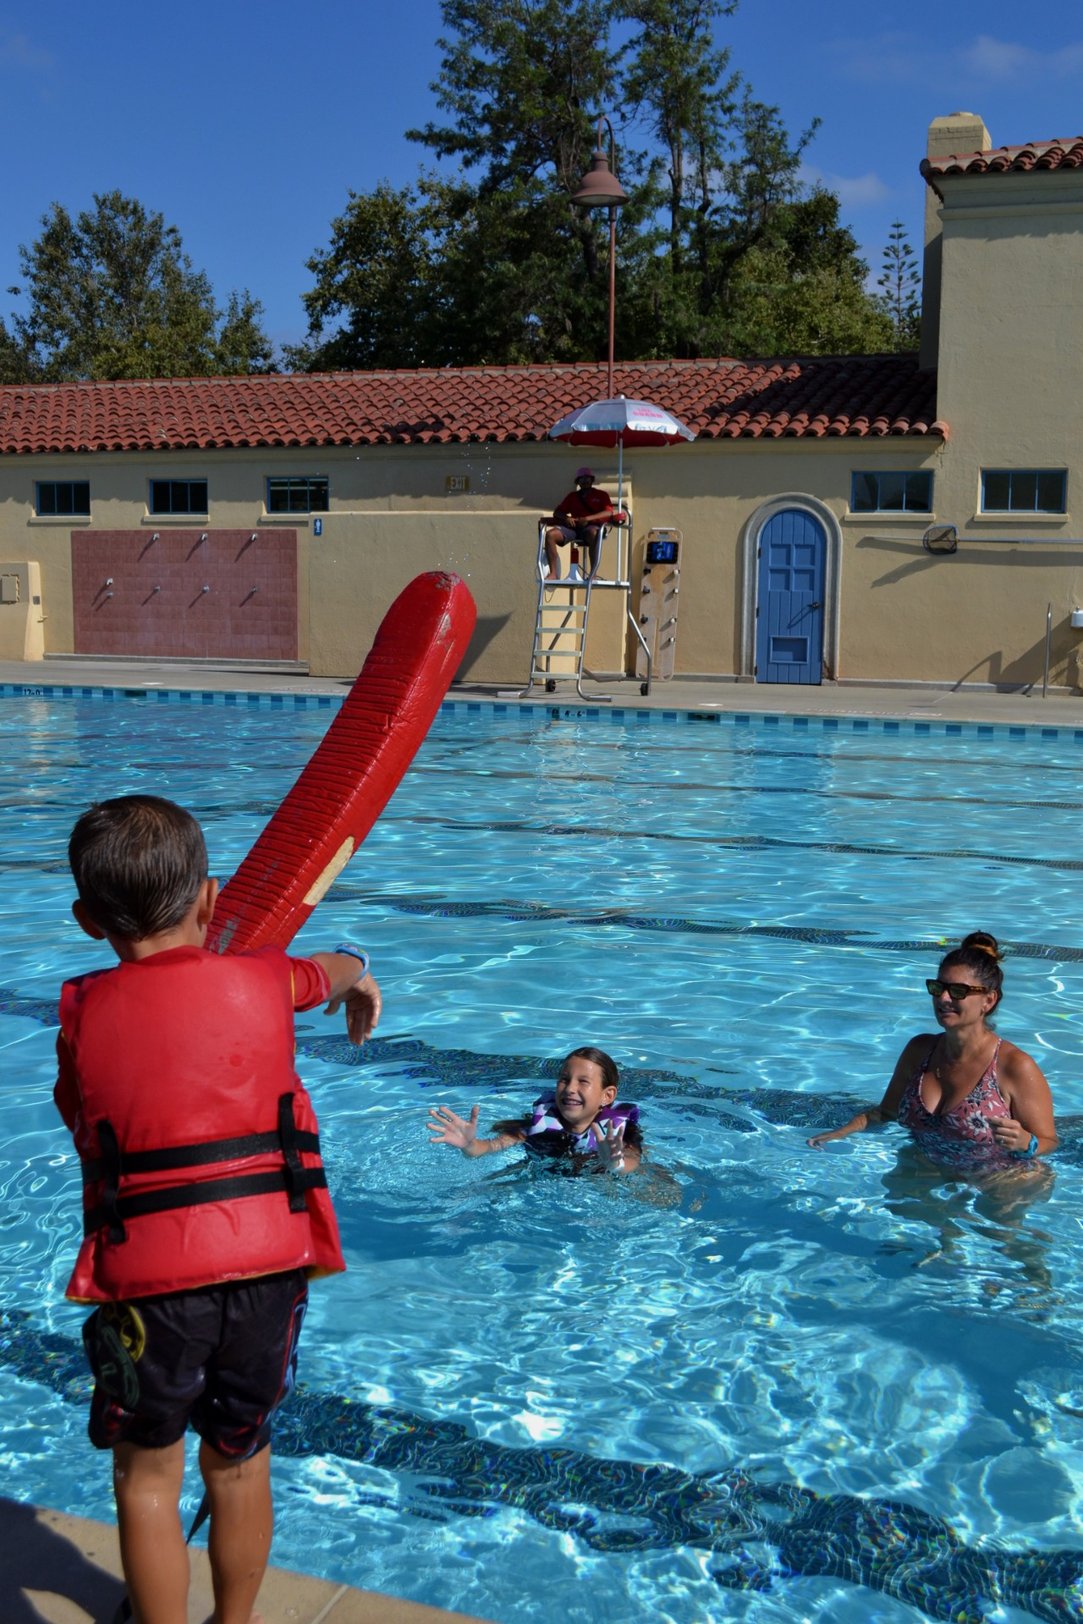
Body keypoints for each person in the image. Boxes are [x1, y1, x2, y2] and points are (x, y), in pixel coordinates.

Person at [53, 794, 382, 1624]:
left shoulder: (81, 1013)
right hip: (269, 1270)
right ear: (210, 898)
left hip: (153, 1286)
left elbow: (81, 1119)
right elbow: (331, 969)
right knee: (239, 1463)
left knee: (146, 1475)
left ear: (88, 921)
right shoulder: (268, 979)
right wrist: (359, 967)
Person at [807, 931, 1057, 1172]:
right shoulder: (919, 1051)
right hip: (924, 1172)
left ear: (989, 1000)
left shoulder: (1014, 1066)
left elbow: (1049, 1141)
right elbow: (885, 1112)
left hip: (997, 1179)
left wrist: (1028, 1143)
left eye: (958, 991)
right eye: (938, 988)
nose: (944, 998)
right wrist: (839, 1133)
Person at [428, 1046, 642, 1173]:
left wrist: (616, 1164)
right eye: (564, 1079)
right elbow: (489, 1147)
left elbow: (632, 1162)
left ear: (607, 1096)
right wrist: (469, 1145)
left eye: (583, 1082)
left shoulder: (619, 1134)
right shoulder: (535, 1128)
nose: (570, 1089)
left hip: (598, 1182)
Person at [543, 467, 616, 581]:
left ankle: (593, 574)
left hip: (592, 527)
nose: (585, 481)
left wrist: (587, 518)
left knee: (593, 533)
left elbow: (608, 512)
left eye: (587, 478)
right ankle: (553, 573)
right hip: (573, 528)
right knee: (550, 535)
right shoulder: (572, 496)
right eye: (582, 479)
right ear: (578, 482)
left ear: (592, 480)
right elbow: (557, 512)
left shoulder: (601, 495)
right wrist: (567, 518)